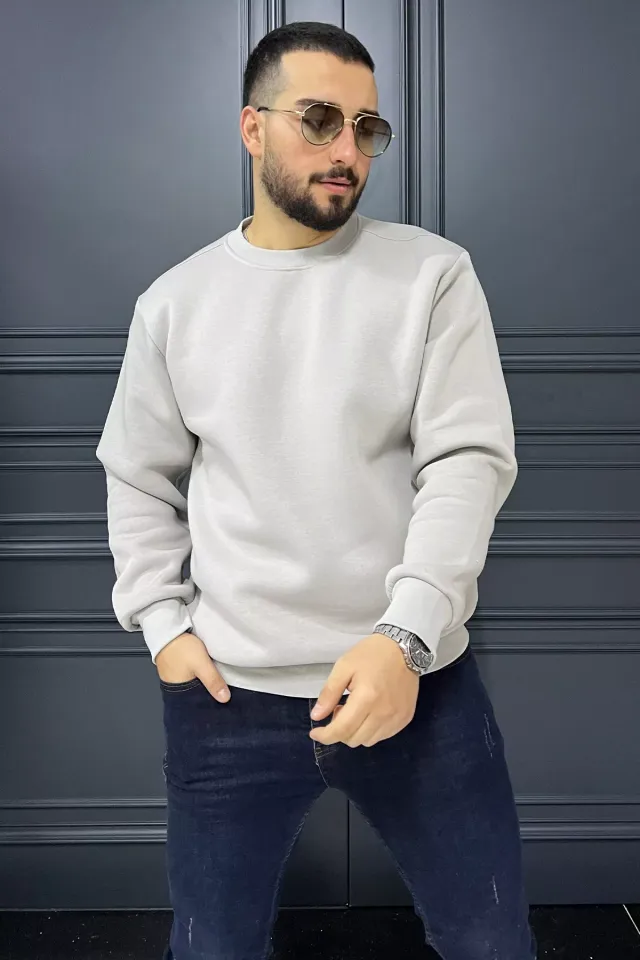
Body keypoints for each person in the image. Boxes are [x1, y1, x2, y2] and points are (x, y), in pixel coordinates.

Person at [96, 20, 538, 960]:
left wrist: (405, 638)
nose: (347, 151)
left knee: (488, 939)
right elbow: (138, 475)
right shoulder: (175, 303)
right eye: (320, 120)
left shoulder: (432, 275)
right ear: (252, 127)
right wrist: (166, 631)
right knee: (212, 947)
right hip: (228, 696)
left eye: (366, 128)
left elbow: (467, 463)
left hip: (416, 681)